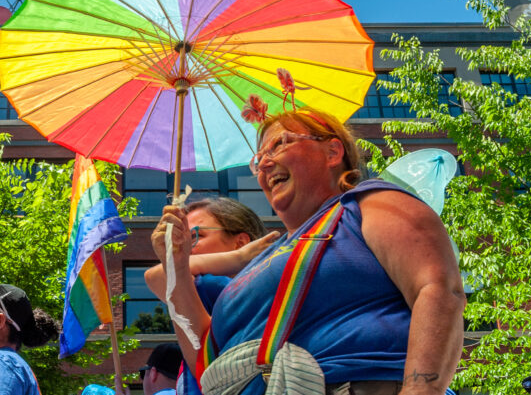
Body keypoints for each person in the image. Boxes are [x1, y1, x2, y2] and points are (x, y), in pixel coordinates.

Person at [152, 105, 466, 395]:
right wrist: (177, 267)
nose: (264, 163)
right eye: (258, 158)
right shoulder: (259, 263)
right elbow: (204, 358)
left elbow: (437, 290)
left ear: (332, 151)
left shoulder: (368, 203)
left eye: (280, 144)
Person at [143, 198, 272, 395]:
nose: (186, 243)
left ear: (241, 243)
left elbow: (158, 275)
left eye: (196, 235)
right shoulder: (265, 289)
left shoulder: (213, 285)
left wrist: (237, 259)